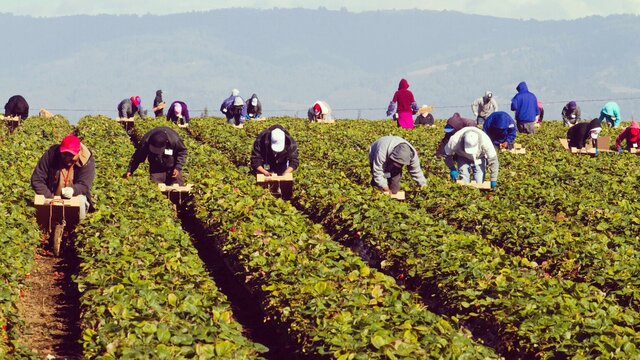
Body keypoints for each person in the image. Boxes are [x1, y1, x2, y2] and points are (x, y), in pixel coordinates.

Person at [31, 134, 95, 219]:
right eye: (64, 154)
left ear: (79, 152)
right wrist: (50, 197)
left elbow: (84, 185)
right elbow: (37, 179)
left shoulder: (87, 161)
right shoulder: (51, 155)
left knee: (82, 203)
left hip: (74, 198)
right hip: (51, 196)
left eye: (71, 155)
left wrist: (73, 190)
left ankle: (76, 227)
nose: (67, 158)